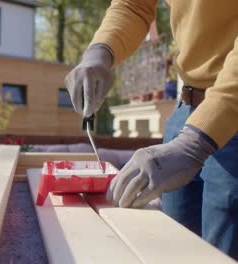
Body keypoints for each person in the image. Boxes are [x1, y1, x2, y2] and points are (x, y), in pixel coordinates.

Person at [64, 0, 237, 259]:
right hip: (186, 109)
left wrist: (195, 142)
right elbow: (134, 5)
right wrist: (100, 50)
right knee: (171, 250)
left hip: (230, 116)